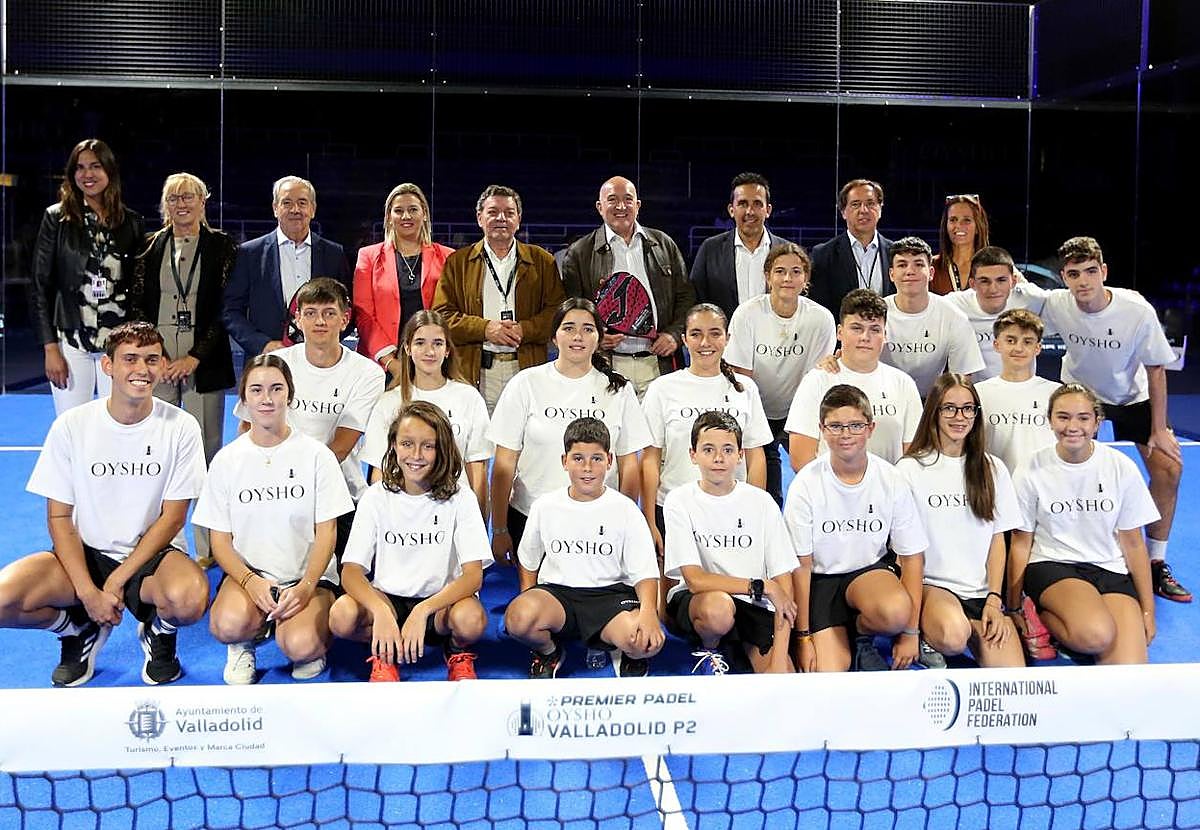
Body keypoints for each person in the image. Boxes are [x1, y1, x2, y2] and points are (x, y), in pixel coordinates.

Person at [0, 322, 207, 686]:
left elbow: (174, 518)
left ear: (161, 366)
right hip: (86, 553)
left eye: (151, 359)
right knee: (3, 599)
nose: (142, 369)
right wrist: (87, 593)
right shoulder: (71, 425)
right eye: (130, 359)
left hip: (152, 556)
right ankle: (75, 629)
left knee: (190, 599)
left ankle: (159, 632)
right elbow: (60, 517)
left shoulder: (181, 425)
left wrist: (116, 580)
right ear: (107, 366)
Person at [1029, 236, 1188, 603]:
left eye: (1089, 272)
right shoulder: (1056, 303)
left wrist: (1159, 430)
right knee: (1072, 475)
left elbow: (1156, 369)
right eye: (1073, 274)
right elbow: (1011, 292)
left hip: (1132, 397)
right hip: (1080, 396)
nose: (1082, 281)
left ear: (1103, 271)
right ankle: (1066, 552)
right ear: (1063, 277)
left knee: (1169, 469)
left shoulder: (1136, 309)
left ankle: (1155, 561)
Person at [193, 355, 352, 684]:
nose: (267, 399)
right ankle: (248, 638)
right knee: (227, 625)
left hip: (307, 578)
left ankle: (301, 632)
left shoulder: (316, 455)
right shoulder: (226, 461)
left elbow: (327, 533)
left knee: (300, 646)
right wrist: (251, 582)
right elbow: (219, 541)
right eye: (257, 390)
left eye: (276, 389)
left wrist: (307, 586)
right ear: (244, 398)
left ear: (289, 395)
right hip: (249, 577)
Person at [330, 401, 490, 681]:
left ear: (442, 448)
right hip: (388, 600)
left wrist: (423, 610)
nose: (416, 455)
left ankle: (454, 650)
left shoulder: (461, 498)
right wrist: (380, 610)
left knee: (471, 621)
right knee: (341, 615)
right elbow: (351, 572)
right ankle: (385, 651)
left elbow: (473, 577)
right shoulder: (375, 497)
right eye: (407, 443)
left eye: (428, 446)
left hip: (440, 606)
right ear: (393, 445)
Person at [489, 298, 651, 563]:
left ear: (599, 338)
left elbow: (629, 465)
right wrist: (499, 528)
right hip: (531, 518)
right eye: (569, 328)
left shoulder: (619, 390)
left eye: (588, 329)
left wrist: (625, 519)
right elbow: (504, 464)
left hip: (602, 521)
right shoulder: (525, 384)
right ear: (554, 337)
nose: (578, 336)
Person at [130, 172, 238, 565]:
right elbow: (138, 305)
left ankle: (210, 550)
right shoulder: (148, 247)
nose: (182, 204)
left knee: (206, 455)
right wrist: (153, 357)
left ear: (203, 201)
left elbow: (226, 307)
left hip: (202, 361)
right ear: (165, 205)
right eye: (174, 198)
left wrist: (194, 357)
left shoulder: (222, 246)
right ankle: (163, 543)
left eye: (189, 197)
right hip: (157, 362)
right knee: (157, 453)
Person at [1007, 384, 1158, 665]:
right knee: (1095, 635)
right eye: (1063, 417)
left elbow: (1134, 543)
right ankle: (1037, 612)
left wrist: (1147, 610)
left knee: (1130, 667)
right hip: (1053, 564)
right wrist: (1013, 605)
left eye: (1083, 418)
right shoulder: (1031, 468)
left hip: (1109, 568)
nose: (1072, 426)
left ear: (1098, 422)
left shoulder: (1120, 466)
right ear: (1050, 420)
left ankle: (1085, 616)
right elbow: (1020, 541)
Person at [503, 417, 664, 678]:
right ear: (564, 461)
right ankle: (550, 652)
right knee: (518, 620)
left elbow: (645, 572)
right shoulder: (545, 506)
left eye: (597, 459)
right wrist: (530, 602)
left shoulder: (625, 509)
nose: (587, 467)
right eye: (578, 458)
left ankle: (620, 648)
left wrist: (648, 614)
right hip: (559, 596)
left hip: (610, 598)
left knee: (647, 643)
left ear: (610, 461)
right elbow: (529, 562)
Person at [234, 278, 384, 555]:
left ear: (344, 318)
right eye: (311, 313)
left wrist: (296, 489)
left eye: (329, 313)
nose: (320, 322)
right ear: (298, 319)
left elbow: (340, 447)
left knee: (336, 592)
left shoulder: (368, 373)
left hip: (339, 496)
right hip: (272, 491)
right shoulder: (276, 365)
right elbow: (246, 429)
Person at [783, 385, 928, 672]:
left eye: (855, 425)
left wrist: (910, 633)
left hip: (868, 575)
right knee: (827, 675)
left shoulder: (891, 478)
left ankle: (861, 634)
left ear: (870, 428)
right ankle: (840, 635)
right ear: (822, 429)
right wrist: (803, 637)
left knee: (896, 611)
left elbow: (912, 557)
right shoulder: (806, 485)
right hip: (820, 583)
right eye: (835, 426)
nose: (845, 434)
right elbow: (800, 566)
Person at [895, 374, 1025, 669]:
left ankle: (970, 627)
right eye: (949, 408)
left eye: (968, 408)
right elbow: (906, 553)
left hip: (980, 594)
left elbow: (997, 541)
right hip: (932, 587)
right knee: (954, 635)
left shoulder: (994, 469)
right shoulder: (909, 469)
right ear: (934, 412)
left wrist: (994, 598)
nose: (960, 416)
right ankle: (936, 634)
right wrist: (911, 628)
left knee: (1013, 677)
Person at [663, 411, 800, 675]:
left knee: (783, 683)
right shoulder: (679, 500)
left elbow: (785, 589)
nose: (718, 458)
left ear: (740, 455)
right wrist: (760, 586)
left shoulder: (762, 503)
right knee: (719, 611)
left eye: (727, 449)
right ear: (693, 455)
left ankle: (739, 648)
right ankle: (710, 650)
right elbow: (695, 580)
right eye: (708, 449)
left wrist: (781, 657)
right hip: (700, 602)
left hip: (754, 605)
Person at [642, 303, 773, 551]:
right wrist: (649, 519)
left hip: (734, 510)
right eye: (696, 334)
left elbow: (756, 457)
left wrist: (755, 510)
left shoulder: (745, 388)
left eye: (715, 333)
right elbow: (650, 459)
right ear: (684, 339)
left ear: (727, 338)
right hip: (672, 508)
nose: (705, 342)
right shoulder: (663, 388)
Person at [32, 139, 145, 414]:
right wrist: (50, 348)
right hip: (71, 340)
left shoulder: (131, 222)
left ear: (109, 170)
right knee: (73, 425)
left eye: (95, 166)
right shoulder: (56, 218)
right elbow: (40, 286)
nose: (87, 174)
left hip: (119, 342)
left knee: (119, 422)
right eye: (80, 167)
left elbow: (141, 287)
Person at [432, 184, 566, 412]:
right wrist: (485, 329)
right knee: (477, 445)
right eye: (493, 212)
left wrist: (525, 329)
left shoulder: (543, 261)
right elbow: (442, 317)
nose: (501, 218)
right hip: (476, 372)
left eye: (509, 213)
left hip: (526, 367)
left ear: (518, 219)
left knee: (527, 443)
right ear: (479, 218)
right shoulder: (458, 262)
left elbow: (557, 312)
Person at [560, 176, 693, 398]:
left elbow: (686, 297)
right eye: (612, 200)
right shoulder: (579, 253)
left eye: (628, 199)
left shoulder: (664, 244)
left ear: (638, 206)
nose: (621, 206)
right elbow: (572, 309)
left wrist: (674, 335)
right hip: (605, 366)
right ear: (599, 207)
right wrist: (596, 336)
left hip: (659, 366)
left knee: (658, 433)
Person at [726, 242, 837, 505]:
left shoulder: (821, 319)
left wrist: (796, 420)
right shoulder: (747, 314)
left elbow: (816, 375)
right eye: (780, 271)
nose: (788, 278)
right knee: (768, 491)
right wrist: (758, 423)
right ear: (767, 276)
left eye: (796, 271)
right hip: (756, 406)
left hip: (799, 408)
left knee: (818, 480)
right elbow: (741, 376)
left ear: (806, 278)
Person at [360, 310, 492, 514]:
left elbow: (478, 468)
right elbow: (379, 471)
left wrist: (480, 524)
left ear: (447, 350)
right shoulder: (389, 402)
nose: (429, 351)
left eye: (438, 343)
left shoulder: (469, 398)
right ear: (407, 348)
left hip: (455, 513)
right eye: (420, 343)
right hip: (402, 515)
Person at [785, 289, 922, 470]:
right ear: (840, 332)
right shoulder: (816, 381)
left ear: (885, 335)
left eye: (874, 330)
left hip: (888, 493)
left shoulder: (903, 384)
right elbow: (801, 458)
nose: (865, 337)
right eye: (856, 328)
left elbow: (913, 456)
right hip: (830, 493)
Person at [222, 175, 350, 357]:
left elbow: (348, 307)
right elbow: (231, 311)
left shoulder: (334, 254)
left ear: (312, 209)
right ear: (275, 208)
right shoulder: (249, 253)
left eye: (302, 203)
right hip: (265, 360)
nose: (295, 209)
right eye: (287, 203)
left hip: (321, 360)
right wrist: (262, 344)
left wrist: (325, 341)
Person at [353, 183, 455, 381]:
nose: (406, 216)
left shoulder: (448, 257)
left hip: (433, 362)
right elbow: (363, 314)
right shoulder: (368, 256)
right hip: (381, 366)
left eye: (413, 210)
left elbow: (451, 312)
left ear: (424, 214)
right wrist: (392, 363)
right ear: (389, 218)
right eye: (398, 211)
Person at [878, 236, 985, 397]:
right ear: (892, 274)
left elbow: (963, 377)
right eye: (902, 265)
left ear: (931, 272)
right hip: (882, 399)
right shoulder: (875, 313)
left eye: (919, 264)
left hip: (933, 403)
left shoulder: (953, 316)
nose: (910, 271)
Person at [689, 172, 795, 322]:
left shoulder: (787, 252)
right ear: (731, 210)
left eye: (757, 204)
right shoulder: (710, 249)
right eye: (743, 204)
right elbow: (695, 299)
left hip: (776, 341)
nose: (750, 212)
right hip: (726, 342)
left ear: (768, 210)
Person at [942, 246, 1046, 380]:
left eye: (1001, 280)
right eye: (985, 281)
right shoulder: (953, 304)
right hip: (972, 394)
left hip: (1020, 388)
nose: (993, 289)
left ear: (1013, 281)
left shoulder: (1031, 298)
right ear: (972, 283)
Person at [807, 179, 893, 319]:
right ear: (843, 212)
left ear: (880, 209)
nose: (863, 210)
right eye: (855, 204)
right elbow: (819, 309)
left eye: (870, 203)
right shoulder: (823, 255)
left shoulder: (895, 253)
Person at [930, 194, 990, 295]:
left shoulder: (995, 265)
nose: (958, 225)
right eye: (953, 220)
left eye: (966, 220)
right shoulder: (931, 266)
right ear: (946, 225)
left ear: (978, 226)